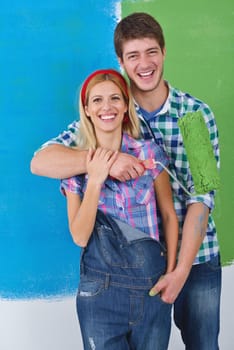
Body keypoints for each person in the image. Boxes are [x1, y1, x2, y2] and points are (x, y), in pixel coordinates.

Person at [31, 12, 222, 350]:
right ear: (121, 61)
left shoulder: (193, 114)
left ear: (164, 52)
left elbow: (201, 198)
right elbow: (41, 161)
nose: (144, 63)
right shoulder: (110, 109)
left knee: (204, 344)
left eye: (151, 52)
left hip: (194, 258)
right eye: (133, 55)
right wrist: (105, 161)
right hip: (127, 271)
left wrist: (178, 271)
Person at [60, 68, 178, 349]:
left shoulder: (150, 153)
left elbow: (169, 216)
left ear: (126, 106)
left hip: (153, 288)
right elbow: (79, 236)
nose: (107, 107)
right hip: (100, 295)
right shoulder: (74, 165)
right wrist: (96, 176)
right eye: (97, 100)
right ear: (87, 109)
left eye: (115, 98)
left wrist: (171, 272)